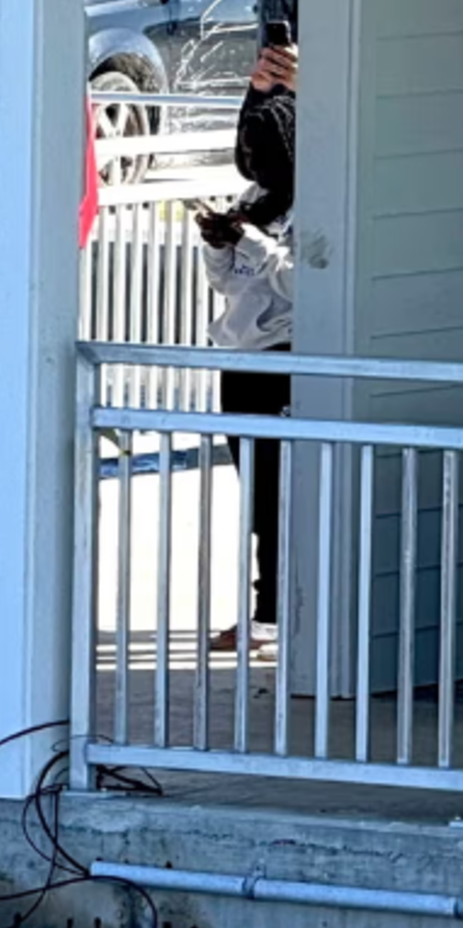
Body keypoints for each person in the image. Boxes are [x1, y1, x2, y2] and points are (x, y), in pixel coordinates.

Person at [205, 37, 299, 654]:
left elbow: (300, 281)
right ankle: (266, 608)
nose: (255, 158)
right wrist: (219, 242)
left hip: (284, 360)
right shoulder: (253, 199)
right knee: (254, 490)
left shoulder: (317, 206)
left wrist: (260, 248)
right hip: (238, 356)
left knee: (282, 492)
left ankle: (277, 611)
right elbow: (223, 281)